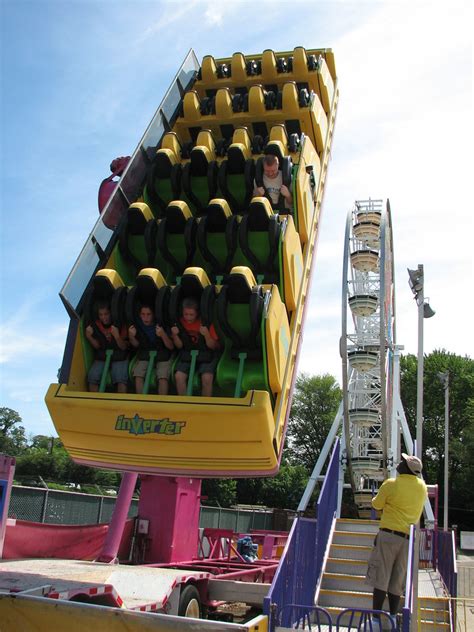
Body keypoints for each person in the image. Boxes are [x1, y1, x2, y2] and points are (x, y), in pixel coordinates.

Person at [365, 453, 428, 628]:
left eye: (403, 462)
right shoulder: (422, 487)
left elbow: (377, 504)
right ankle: (392, 617)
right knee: (397, 580)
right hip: (408, 539)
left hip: (388, 535)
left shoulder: (392, 484)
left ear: (406, 468)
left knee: (381, 576)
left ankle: (376, 620)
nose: (399, 463)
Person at [171, 297, 220, 397]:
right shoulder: (180, 323)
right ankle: (184, 405)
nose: (188, 317)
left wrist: (206, 335)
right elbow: (179, 346)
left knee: (207, 377)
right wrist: (175, 335)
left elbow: (213, 346)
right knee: (179, 376)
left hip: (206, 353)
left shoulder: (206, 323)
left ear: (197, 313)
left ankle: (205, 406)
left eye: (191, 315)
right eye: (186, 314)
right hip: (188, 353)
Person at [128, 304, 174, 395]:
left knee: (162, 376)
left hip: (162, 354)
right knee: (138, 374)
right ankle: (141, 403)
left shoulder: (162, 324)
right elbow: (136, 344)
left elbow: (171, 346)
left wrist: (163, 334)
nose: (145, 317)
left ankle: (161, 402)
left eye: (149, 314)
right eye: (143, 314)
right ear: (139, 315)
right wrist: (131, 336)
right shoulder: (137, 325)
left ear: (154, 315)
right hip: (145, 354)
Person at [85, 302, 129, 393]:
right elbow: (97, 346)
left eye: (106, 314)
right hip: (103, 354)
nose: (104, 317)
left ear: (111, 313)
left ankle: (120, 405)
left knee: (120, 378)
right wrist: (89, 336)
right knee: (92, 377)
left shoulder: (120, 324)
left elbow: (124, 347)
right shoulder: (96, 325)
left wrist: (117, 336)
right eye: (101, 315)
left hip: (119, 354)